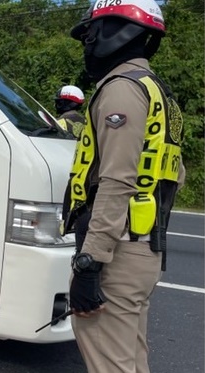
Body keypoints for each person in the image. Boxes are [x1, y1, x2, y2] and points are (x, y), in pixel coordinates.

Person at [62, 0, 185, 372]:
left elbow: (118, 179)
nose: (87, 44)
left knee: (110, 363)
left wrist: (90, 262)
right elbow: (175, 174)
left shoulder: (120, 90)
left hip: (116, 251)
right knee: (129, 361)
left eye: (90, 34)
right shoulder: (157, 91)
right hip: (144, 245)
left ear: (112, 32)